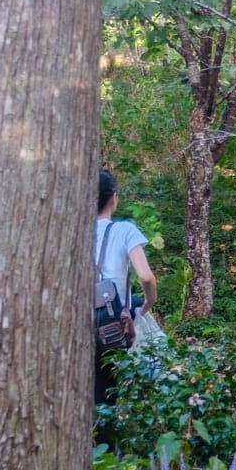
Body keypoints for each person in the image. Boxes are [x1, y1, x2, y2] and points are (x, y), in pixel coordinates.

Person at [94, 169, 158, 418]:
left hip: (79, 319)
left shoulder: (73, 231)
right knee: (107, 388)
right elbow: (145, 276)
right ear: (114, 197)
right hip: (111, 323)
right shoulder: (124, 230)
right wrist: (149, 303)